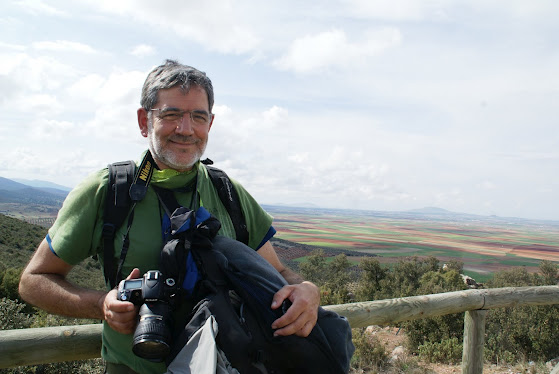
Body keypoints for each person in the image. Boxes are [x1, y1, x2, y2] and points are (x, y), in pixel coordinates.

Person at [19, 60, 320, 374]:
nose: (186, 129)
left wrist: (306, 289)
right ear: (143, 120)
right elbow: (33, 281)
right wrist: (101, 304)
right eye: (171, 114)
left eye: (197, 117)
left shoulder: (228, 192)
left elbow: (282, 273)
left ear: (210, 124)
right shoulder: (108, 191)